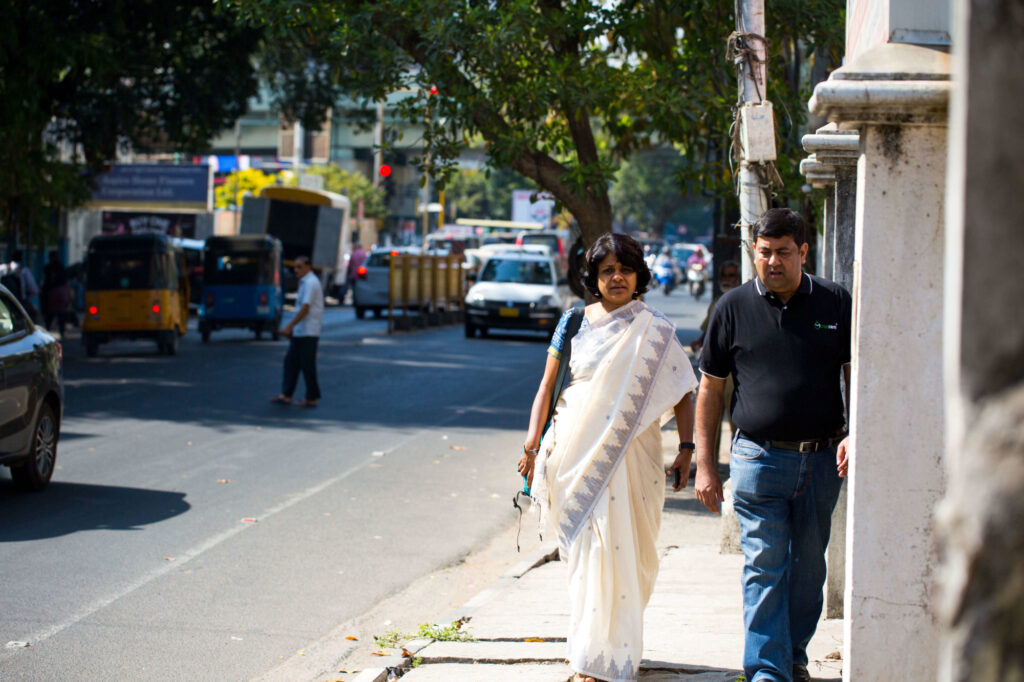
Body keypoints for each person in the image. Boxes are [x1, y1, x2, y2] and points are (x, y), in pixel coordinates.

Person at [519, 232, 698, 682]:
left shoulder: (655, 329)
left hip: (634, 459)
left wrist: (687, 449)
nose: (616, 277)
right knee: (586, 554)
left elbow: (683, 390)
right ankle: (586, 655)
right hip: (572, 457)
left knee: (626, 555)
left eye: (625, 269)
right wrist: (530, 444)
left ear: (638, 275)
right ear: (593, 278)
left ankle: (615, 656)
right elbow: (547, 386)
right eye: (606, 271)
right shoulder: (574, 322)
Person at [694, 208, 851, 682]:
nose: (773, 262)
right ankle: (767, 670)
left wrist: (855, 432)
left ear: (803, 252)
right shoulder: (732, 307)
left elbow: (857, 373)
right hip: (756, 459)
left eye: (784, 252)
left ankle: (793, 656)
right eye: (764, 252)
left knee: (807, 571)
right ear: (753, 252)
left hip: (823, 459)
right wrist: (706, 464)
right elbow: (710, 388)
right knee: (764, 563)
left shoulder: (834, 302)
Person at [271, 256, 324, 407]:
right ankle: (287, 394)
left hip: (309, 331)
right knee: (291, 362)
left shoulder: (311, 283)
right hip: (302, 331)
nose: (296, 270)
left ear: (308, 267)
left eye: (300, 267)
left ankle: (311, 397)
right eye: (295, 267)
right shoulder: (305, 282)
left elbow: (305, 307)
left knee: (307, 365)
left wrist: (290, 326)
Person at [42, 250, 72, 337]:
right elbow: (65, 282)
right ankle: (61, 331)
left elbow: (46, 282)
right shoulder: (61, 267)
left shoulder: (48, 268)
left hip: (52, 293)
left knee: (50, 312)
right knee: (61, 313)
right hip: (61, 293)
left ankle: (48, 329)